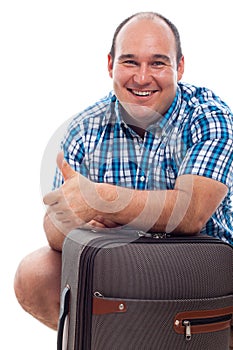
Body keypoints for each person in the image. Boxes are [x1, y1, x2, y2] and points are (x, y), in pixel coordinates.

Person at [14, 11, 233, 344]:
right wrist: (76, 216)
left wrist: (101, 201)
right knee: (35, 273)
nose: (142, 78)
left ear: (181, 67)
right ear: (110, 65)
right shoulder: (85, 128)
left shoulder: (209, 116)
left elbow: (190, 213)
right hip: (126, 271)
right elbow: (54, 233)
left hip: (204, 278)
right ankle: (114, 341)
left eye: (158, 63)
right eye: (130, 62)